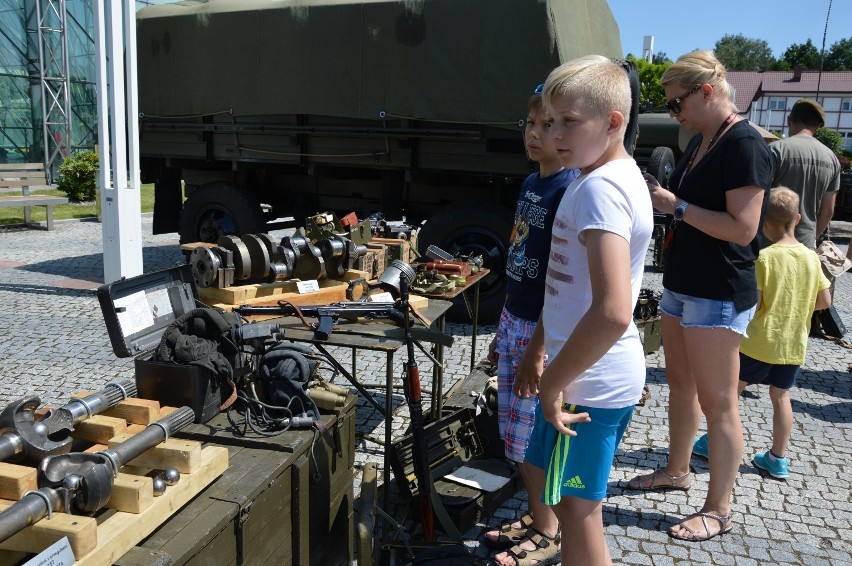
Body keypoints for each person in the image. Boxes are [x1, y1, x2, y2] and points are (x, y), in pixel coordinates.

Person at [494, 54, 653, 566]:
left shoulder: (602, 189)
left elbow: (611, 311)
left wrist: (551, 381)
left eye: (570, 122)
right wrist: (542, 354)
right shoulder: (604, 176)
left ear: (613, 123)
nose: (556, 133)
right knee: (567, 504)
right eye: (550, 120)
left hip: (589, 385)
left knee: (579, 515)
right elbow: (568, 293)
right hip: (581, 376)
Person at [626, 50, 772, 542]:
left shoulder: (745, 144)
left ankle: (720, 506)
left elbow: (744, 229)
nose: (674, 114)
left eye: (675, 104)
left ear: (706, 92)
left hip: (719, 291)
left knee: (719, 402)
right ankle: (677, 470)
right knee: (682, 390)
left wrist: (677, 206)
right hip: (684, 287)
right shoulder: (704, 139)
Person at [484, 90, 580, 559]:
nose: (535, 134)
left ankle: (549, 529)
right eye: (531, 125)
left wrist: (534, 351)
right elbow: (520, 260)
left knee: (529, 438)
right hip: (514, 319)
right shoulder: (530, 185)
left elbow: (559, 284)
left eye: (547, 126)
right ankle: (539, 513)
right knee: (512, 433)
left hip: (540, 330)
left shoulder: (569, 188)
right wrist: (501, 336)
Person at [692, 187, 831, 479]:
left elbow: (753, 304)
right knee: (781, 396)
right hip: (793, 343)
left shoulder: (765, 258)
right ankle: (778, 458)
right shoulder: (811, 257)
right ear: (797, 218)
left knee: (731, 394)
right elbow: (824, 301)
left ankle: (711, 442)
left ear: (764, 223)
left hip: (759, 342)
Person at [769, 99, 841, 250]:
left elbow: (757, 198)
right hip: (805, 243)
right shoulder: (832, 158)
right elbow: (828, 211)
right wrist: (812, 237)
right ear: (818, 126)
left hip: (769, 242)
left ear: (789, 121)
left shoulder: (775, 150)